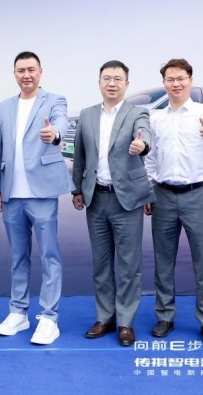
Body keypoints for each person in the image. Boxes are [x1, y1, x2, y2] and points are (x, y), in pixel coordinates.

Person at [0, 51, 74, 345]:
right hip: (11, 194)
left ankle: (49, 318)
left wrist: (55, 133)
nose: (26, 75)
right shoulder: (4, 107)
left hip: (42, 193)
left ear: (40, 72)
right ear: (15, 73)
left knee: (50, 255)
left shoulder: (55, 100)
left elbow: (61, 124)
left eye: (31, 69)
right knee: (18, 257)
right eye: (21, 70)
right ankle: (18, 312)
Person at [71, 60, 154, 347]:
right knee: (101, 263)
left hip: (126, 200)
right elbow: (79, 155)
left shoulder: (137, 113)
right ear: (99, 82)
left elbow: (145, 133)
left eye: (118, 79)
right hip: (95, 199)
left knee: (129, 265)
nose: (112, 83)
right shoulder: (87, 115)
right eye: (107, 78)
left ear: (127, 84)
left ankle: (126, 322)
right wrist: (77, 189)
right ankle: (104, 317)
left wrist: (142, 145)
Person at [144, 58, 203, 344]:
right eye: (170, 79)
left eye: (181, 78)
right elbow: (150, 158)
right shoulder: (156, 118)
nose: (176, 84)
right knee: (163, 261)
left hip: (196, 196)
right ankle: (164, 316)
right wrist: (148, 190)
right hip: (162, 195)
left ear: (190, 80)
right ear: (164, 83)